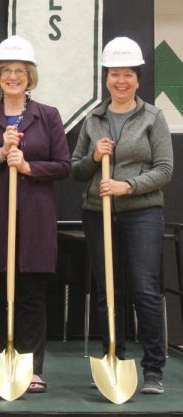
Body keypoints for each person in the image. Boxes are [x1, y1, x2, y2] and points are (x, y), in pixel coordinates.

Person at [0, 35, 70, 393]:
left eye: (20, 71)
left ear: (30, 76)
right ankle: (6, 361)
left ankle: (33, 368)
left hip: (37, 219)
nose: (13, 76)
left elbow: (64, 165)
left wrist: (27, 167)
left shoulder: (48, 116)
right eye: (7, 70)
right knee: (3, 293)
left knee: (32, 295)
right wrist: (0, 153)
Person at [71, 36, 173, 395]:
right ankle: (112, 357)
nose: (121, 81)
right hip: (98, 214)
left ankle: (154, 370)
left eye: (128, 74)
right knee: (107, 292)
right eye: (115, 74)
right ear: (106, 78)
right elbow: (76, 171)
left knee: (144, 290)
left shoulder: (153, 117)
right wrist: (94, 158)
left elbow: (164, 169)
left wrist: (126, 186)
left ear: (138, 79)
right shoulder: (93, 119)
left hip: (142, 214)